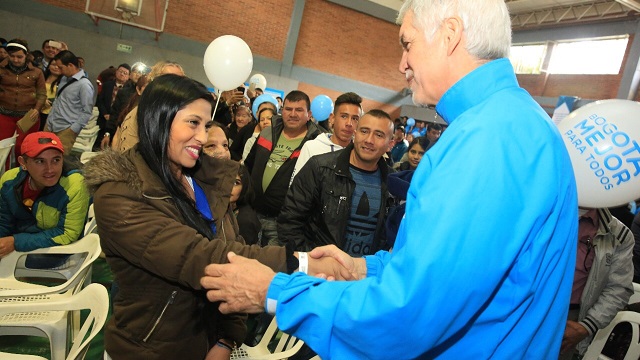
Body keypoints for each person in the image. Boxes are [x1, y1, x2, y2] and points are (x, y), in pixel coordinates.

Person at [200, 0, 578, 358]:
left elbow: (410, 312)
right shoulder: (515, 122)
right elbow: (446, 270)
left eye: (407, 44)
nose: (402, 64)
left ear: (450, 35)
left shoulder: (488, 139)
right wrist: (361, 267)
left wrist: (273, 291)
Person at [83, 74, 348, 360]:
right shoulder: (118, 195)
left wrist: (225, 341)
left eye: (206, 125)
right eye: (193, 123)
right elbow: (200, 256)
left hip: (207, 342)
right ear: (157, 119)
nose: (202, 136)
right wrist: (300, 262)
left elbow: (233, 250)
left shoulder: (206, 182)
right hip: (151, 349)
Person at [278, 109, 394, 257]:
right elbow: (289, 221)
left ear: (390, 144)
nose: (369, 140)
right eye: (364, 131)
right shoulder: (320, 167)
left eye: (379, 135)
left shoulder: (393, 183)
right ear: (355, 133)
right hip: (320, 273)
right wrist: (312, 263)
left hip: (366, 275)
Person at [245, 90, 323, 246]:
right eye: (288, 109)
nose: (292, 114)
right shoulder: (267, 132)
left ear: (309, 114)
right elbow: (248, 166)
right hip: (252, 214)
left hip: (283, 224)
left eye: (299, 110)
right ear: (282, 110)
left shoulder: (316, 144)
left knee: (271, 268)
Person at [0, 132, 90, 258]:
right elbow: (3, 221)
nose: (50, 169)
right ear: (23, 163)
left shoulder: (74, 185)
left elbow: (67, 233)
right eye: (40, 161)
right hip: (20, 241)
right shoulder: (9, 180)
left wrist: (16, 242)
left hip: (54, 250)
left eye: (56, 160)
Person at [559, 208, 634, 359]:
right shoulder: (545, 211)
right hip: (525, 308)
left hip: (572, 318)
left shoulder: (619, 234)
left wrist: (585, 327)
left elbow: (619, 288)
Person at [290, 92, 362, 184]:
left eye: (355, 118)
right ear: (332, 118)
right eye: (344, 116)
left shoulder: (359, 154)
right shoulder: (312, 147)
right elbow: (296, 187)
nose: (349, 123)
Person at [115, 61, 185, 152]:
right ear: (154, 81)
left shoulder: (175, 112)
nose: (175, 85)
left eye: (180, 80)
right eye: (168, 79)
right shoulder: (147, 111)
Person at [0, 39, 46, 165]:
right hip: (4, 113)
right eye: (12, 56)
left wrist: (37, 109)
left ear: (26, 55)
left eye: (19, 56)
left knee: (23, 147)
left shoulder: (36, 72)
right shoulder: (1, 69)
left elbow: (42, 93)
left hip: (28, 114)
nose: (15, 60)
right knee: (3, 147)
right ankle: (4, 175)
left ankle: (22, 174)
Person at [44, 50, 94, 154]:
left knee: (58, 159)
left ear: (70, 65)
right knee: (43, 154)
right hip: (50, 125)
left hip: (66, 130)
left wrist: (73, 130)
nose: (60, 70)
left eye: (61, 67)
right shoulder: (64, 79)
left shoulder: (84, 85)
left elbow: (87, 111)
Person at [95, 63, 130, 150]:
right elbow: (100, 100)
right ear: (116, 72)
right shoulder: (107, 85)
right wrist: (105, 113)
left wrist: (113, 117)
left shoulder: (129, 91)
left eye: (125, 73)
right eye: (120, 71)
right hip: (103, 119)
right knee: (98, 145)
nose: (122, 74)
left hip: (116, 123)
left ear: (129, 76)